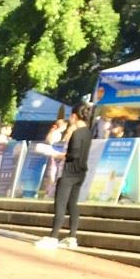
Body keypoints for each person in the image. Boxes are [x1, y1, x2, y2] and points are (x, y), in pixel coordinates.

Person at [36, 103, 93, 250]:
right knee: (72, 204)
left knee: (60, 204)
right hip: (80, 172)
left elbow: (73, 154)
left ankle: (54, 236)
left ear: (74, 116)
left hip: (68, 172)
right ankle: (72, 236)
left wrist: (56, 154)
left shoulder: (76, 133)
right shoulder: (88, 133)